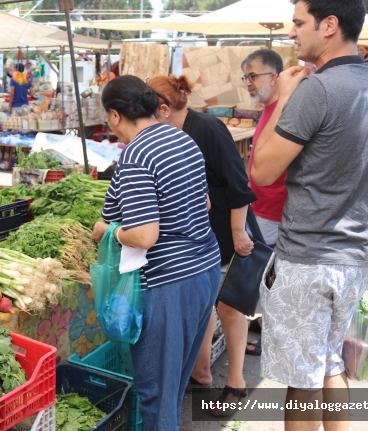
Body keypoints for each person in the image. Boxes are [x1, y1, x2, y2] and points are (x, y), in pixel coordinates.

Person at [251, 1, 368, 429]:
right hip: (355, 259)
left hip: (306, 262)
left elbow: (261, 171)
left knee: (302, 380)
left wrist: (282, 99)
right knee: (330, 362)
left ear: (330, 25)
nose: (292, 33)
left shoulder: (315, 90)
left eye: (299, 24)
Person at [91, 75, 221, 431]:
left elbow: (145, 236)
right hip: (205, 270)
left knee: (155, 395)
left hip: (170, 284)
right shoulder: (181, 138)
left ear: (115, 115)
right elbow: (206, 203)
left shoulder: (136, 154)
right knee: (172, 387)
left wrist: (110, 232)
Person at [146, 75, 263, 416]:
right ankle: (201, 371)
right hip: (198, 235)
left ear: (164, 109)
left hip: (228, 230)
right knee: (206, 306)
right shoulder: (167, 135)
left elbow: (238, 182)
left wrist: (240, 232)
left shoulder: (207, 128)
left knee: (229, 307)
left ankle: (237, 381)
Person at [241, 49, 288, 335]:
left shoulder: (285, 109)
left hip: (273, 209)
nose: (248, 82)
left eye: (253, 75)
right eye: (245, 76)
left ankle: (268, 326)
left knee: (265, 276)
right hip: (260, 207)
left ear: (273, 76)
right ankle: (265, 322)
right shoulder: (269, 109)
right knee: (266, 276)